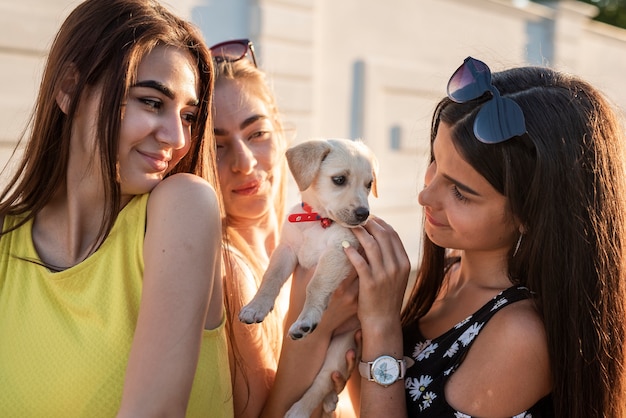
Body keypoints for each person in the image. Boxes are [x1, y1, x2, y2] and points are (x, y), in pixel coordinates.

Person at [344, 56, 626, 417]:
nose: (425, 196)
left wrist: (381, 328)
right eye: (435, 163)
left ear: (532, 214)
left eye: (461, 192)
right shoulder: (450, 275)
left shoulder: (519, 334)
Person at [0, 0, 232, 416]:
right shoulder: (5, 241)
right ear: (69, 88)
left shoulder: (183, 207)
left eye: (190, 115)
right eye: (151, 102)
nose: (178, 138)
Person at [210, 41, 358, 417]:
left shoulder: (312, 238)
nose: (244, 162)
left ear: (279, 129)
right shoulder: (228, 272)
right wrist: (319, 325)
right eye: (217, 144)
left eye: (257, 133)